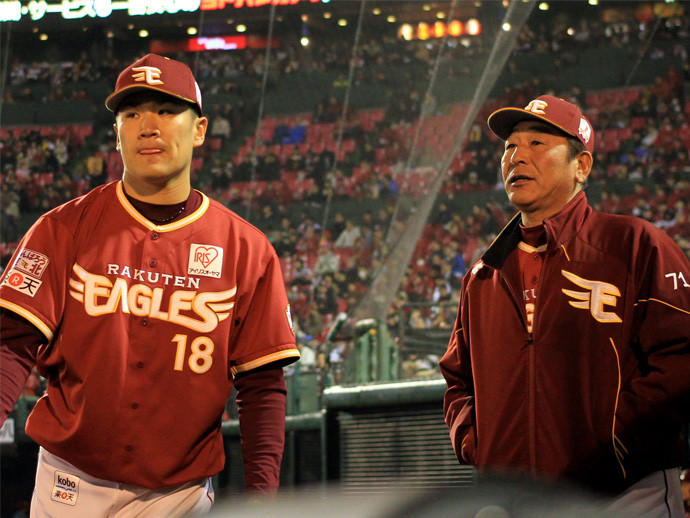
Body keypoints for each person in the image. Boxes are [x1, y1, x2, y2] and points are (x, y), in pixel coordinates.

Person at [0, 54, 300, 517]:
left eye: (165, 110)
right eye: (132, 113)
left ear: (199, 129)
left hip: (178, 496)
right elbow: (10, 347)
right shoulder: (61, 229)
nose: (148, 126)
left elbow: (261, 385)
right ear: (116, 131)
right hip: (68, 483)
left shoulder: (247, 249)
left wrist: (262, 500)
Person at [440, 95, 690, 515]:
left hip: (623, 497)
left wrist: (612, 445)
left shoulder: (634, 245)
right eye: (510, 147)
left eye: (537, 144)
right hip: (516, 502)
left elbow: (680, 360)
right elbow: (457, 382)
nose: (517, 157)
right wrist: (479, 448)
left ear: (582, 166)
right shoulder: (482, 275)